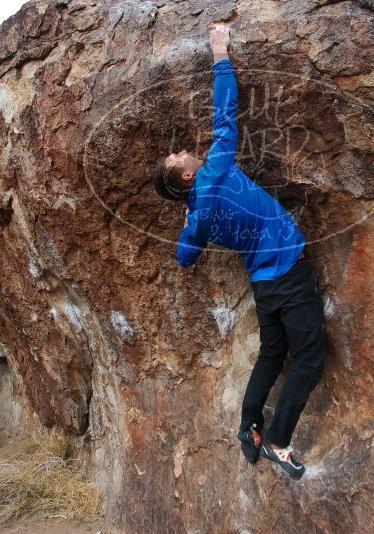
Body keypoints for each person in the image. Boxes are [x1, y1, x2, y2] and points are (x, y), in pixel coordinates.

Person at [152, 23, 326, 478]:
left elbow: (184, 259)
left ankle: (248, 426)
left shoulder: (196, 219)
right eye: (180, 158)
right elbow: (225, 113)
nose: (188, 151)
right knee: (308, 358)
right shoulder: (214, 172)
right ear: (187, 176)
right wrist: (218, 52)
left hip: (265, 285)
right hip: (286, 272)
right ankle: (279, 442)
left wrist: (190, 227)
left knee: (273, 354)